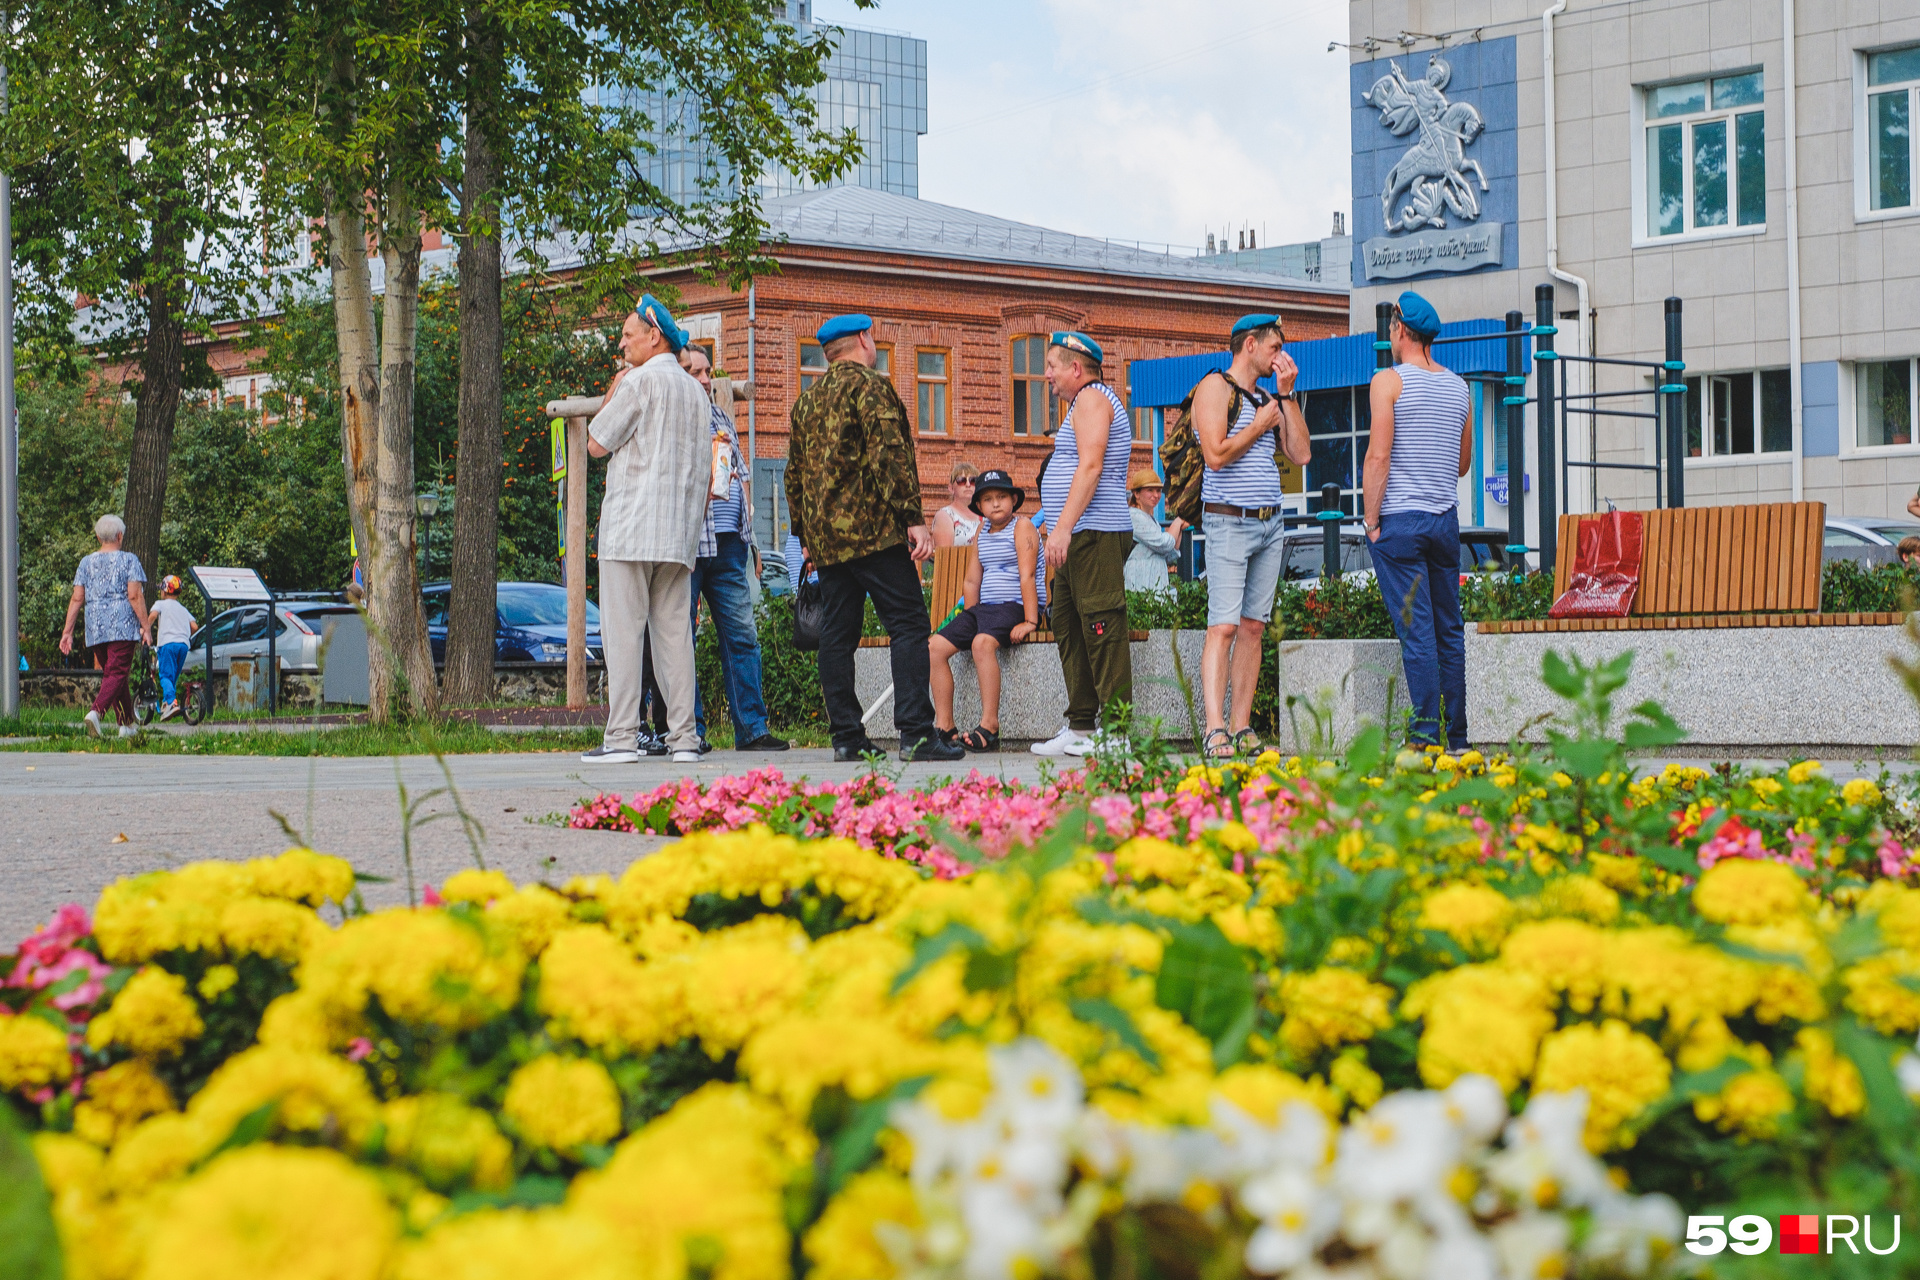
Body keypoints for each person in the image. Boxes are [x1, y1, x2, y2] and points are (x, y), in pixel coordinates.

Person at [786, 313, 963, 763]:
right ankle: (916, 734)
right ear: (864, 340)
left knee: (837, 633)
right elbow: (890, 455)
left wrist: (803, 533)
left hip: (827, 541)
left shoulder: (806, 403)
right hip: (873, 532)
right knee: (907, 623)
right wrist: (913, 518)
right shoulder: (870, 386)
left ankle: (846, 736)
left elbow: (794, 475)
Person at [581, 293, 711, 766]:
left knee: (624, 634)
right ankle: (684, 741)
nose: (622, 345)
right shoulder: (697, 392)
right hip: (677, 533)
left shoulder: (638, 383)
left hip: (630, 526)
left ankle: (621, 739)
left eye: (627, 335)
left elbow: (597, 443)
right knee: (675, 637)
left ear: (654, 336)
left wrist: (612, 395)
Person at [1194, 313, 1311, 758]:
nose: (1279, 356)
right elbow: (1216, 455)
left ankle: (1241, 726)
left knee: (1252, 628)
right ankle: (1215, 726)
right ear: (1250, 345)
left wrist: (1287, 399)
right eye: (1274, 347)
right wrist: (1259, 426)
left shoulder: (1268, 397)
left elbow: (1301, 453)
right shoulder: (1216, 388)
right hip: (1228, 520)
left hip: (1269, 523)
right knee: (1222, 626)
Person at [1362, 290, 1473, 751]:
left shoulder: (1388, 381)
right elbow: (1463, 464)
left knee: (1417, 633)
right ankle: (1459, 738)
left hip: (1401, 522)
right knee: (1449, 630)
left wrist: (1371, 522)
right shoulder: (1459, 386)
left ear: (1400, 329)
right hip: (1444, 520)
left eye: (1391, 329)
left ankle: (1425, 739)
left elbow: (1379, 456)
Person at [1032, 331, 1135, 758]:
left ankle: (1117, 732)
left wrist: (1062, 528)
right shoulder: (1081, 403)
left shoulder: (1093, 397)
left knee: (1101, 625)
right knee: (1069, 626)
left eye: (1052, 367)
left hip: (1094, 532)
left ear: (1076, 367)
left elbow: (1091, 466)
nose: (1047, 376)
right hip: (1076, 536)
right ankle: (1080, 726)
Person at [681, 344, 788, 752]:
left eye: (708, 371)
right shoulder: (674, 420)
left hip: (729, 546)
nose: (706, 380)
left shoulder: (721, 416)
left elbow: (741, 481)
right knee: (682, 640)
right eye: (696, 372)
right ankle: (690, 732)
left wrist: (755, 542)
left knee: (743, 636)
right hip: (690, 546)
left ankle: (752, 729)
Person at [928, 469, 1040, 753]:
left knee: (981, 643)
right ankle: (945, 726)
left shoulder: (1023, 527)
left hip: (1013, 606)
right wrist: (969, 616)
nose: (996, 504)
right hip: (984, 609)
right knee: (933, 647)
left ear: (1014, 499)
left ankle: (989, 726)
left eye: (1002, 496)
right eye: (988, 499)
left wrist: (1030, 620)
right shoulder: (982, 531)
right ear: (979, 506)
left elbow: (1027, 576)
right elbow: (972, 579)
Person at [60, 514, 150, 738]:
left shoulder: (86, 562)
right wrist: (146, 627)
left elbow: (77, 598)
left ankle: (127, 725)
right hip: (121, 626)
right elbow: (134, 595)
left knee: (115, 675)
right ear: (120, 536)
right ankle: (96, 713)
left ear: (98, 536)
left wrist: (67, 632)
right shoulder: (129, 560)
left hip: (95, 627)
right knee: (117, 672)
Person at [1124, 468, 1186, 595]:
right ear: (1136, 494)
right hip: (1141, 583)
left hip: (1155, 584)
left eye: (1158, 491)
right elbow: (1164, 544)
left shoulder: (1150, 520)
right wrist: (1178, 522)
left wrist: (1179, 528)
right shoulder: (1134, 516)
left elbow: (1168, 554)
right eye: (1150, 490)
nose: (1156, 495)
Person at [149, 575, 197, 721]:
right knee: (173, 677)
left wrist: (144, 629)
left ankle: (171, 703)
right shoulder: (183, 609)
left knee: (164, 676)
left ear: (164, 591)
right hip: (183, 645)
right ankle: (167, 704)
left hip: (167, 644)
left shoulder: (160, 604)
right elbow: (194, 626)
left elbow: (152, 616)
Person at [931, 461, 982, 548]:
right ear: (951, 488)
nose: (968, 484)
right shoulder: (946, 516)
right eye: (961, 480)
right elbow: (945, 556)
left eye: (973, 480)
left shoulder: (986, 516)